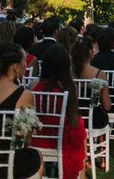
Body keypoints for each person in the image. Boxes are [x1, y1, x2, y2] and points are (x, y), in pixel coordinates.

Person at [0, 43, 43, 179]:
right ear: (16, 67)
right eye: (24, 62)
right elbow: (25, 140)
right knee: (36, 155)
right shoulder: (24, 95)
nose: (26, 65)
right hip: (8, 165)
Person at [30, 45, 86, 179]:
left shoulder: (33, 84)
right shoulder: (69, 86)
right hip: (59, 139)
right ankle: (82, 175)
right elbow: (73, 115)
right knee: (81, 131)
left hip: (37, 136)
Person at [71, 36, 111, 129]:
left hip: (72, 117)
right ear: (90, 52)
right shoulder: (99, 74)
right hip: (93, 119)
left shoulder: (68, 72)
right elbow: (107, 106)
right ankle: (100, 143)